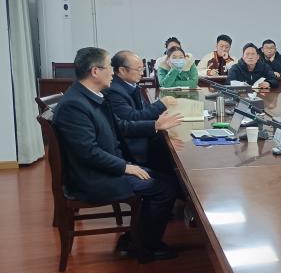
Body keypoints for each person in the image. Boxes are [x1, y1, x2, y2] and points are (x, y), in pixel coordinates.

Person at [52, 47, 183, 261]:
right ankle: (145, 246)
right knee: (164, 188)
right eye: (108, 68)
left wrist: (155, 126)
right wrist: (125, 167)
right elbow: (88, 152)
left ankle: (135, 237)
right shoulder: (75, 105)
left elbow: (120, 126)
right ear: (95, 71)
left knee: (168, 178)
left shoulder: (92, 96)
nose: (113, 73)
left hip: (106, 167)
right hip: (93, 178)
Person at [106, 50, 173, 165]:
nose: (142, 73)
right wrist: (160, 105)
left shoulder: (130, 84)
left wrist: (161, 116)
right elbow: (131, 117)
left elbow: (144, 109)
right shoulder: (114, 91)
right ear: (122, 70)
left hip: (145, 137)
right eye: (138, 69)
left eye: (142, 68)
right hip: (134, 147)